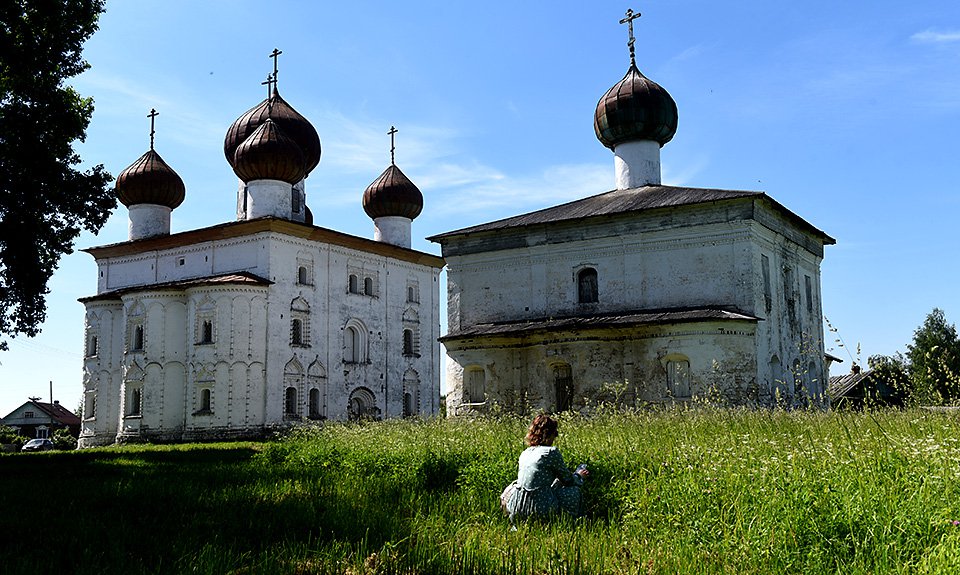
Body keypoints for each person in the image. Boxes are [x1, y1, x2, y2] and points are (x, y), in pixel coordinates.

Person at [501, 414, 588, 525]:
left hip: (517, 507)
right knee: (573, 492)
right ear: (549, 434)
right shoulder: (551, 452)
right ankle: (571, 524)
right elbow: (568, 480)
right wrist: (579, 475)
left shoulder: (525, 453)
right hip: (540, 509)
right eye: (554, 434)